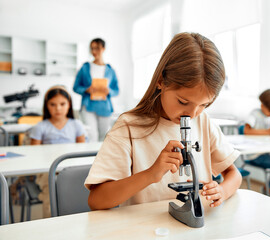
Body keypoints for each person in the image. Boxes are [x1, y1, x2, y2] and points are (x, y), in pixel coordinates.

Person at [85, 32, 242, 210]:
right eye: (183, 101)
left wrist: (222, 190)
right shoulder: (129, 127)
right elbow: (96, 200)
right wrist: (151, 174)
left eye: (204, 105)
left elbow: (234, 174)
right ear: (161, 81)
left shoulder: (203, 121)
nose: (192, 114)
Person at [30, 85, 86, 217]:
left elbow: (82, 151)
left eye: (62, 104)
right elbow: (33, 155)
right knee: (51, 191)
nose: (58, 108)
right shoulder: (40, 127)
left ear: (69, 105)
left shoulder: (76, 124)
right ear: (46, 106)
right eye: (53, 104)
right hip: (47, 169)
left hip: (71, 167)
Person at [73, 38, 120, 142]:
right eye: (92, 48)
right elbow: (75, 87)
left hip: (104, 107)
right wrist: (86, 89)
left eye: (97, 48)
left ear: (103, 49)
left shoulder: (110, 70)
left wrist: (109, 91)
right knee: (91, 135)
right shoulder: (85, 68)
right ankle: (90, 158)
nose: (94, 51)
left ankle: (101, 158)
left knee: (104, 136)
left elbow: (116, 90)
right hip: (88, 106)